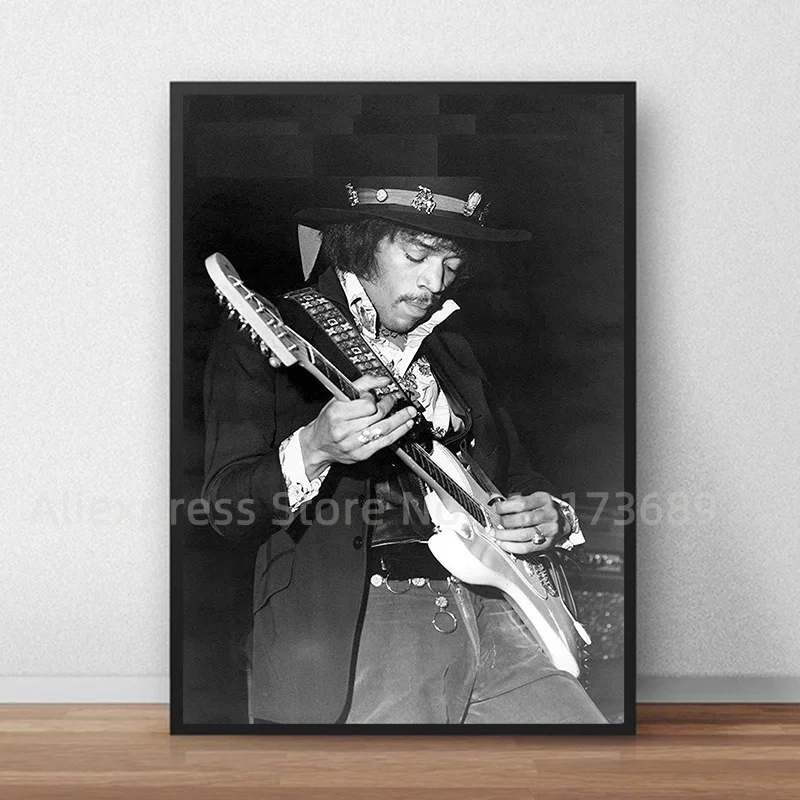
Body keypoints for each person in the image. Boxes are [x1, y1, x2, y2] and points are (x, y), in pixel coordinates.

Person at [201, 181, 608, 725]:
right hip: (368, 618)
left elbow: (516, 471)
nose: (434, 283)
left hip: (503, 615)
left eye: (451, 265)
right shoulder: (286, 328)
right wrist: (315, 448)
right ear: (359, 245)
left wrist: (551, 514)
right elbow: (225, 507)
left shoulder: (453, 349)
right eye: (417, 256)